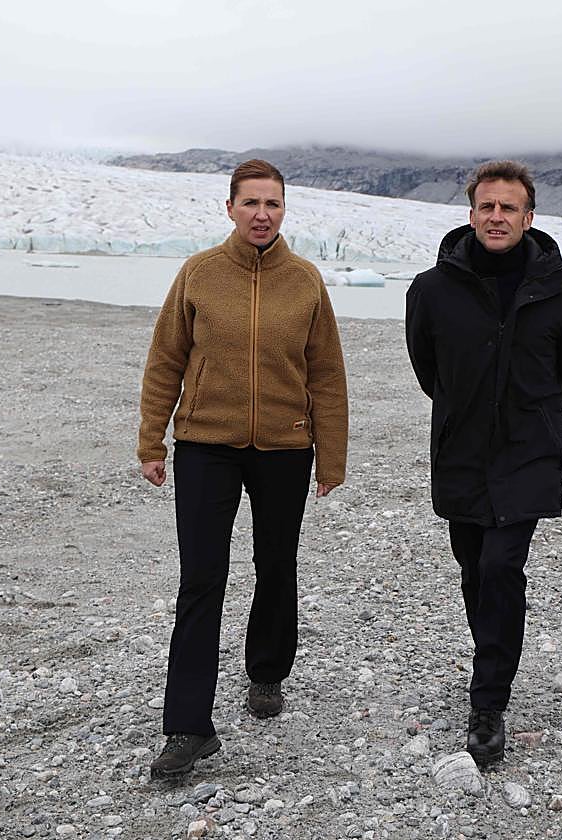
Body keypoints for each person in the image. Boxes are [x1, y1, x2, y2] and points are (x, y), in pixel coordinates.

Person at [138, 159, 349, 779]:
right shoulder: (199, 273)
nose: (263, 214)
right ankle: (187, 725)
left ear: (285, 211)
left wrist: (330, 455)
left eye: (273, 204)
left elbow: (327, 374)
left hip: (286, 448)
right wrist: (153, 440)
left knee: (275, 566)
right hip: (207, 444)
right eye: (252, 202)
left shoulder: (306, 281)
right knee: (201, 579)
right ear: (230, 207)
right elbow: (165, 361)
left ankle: (266, 674)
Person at [405, 160, 562, 766]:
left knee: (502, 565)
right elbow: (428, 369)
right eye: (487, 207)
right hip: (461, 450)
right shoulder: (432, 290)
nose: (496, 217)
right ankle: (493, 658)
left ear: (528, 217)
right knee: (473, 568)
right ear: (471, 214)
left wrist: (528, 410)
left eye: (508, 208)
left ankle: (488, 700)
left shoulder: (560, 290)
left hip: (527, 452)